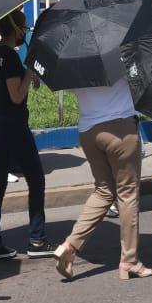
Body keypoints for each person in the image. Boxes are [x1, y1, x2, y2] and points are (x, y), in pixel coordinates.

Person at [53, 75, 147, 280]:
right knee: (127, 193)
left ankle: (70, 246)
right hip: (121, 128)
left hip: (88, 131)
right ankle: (129, 261)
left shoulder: (74, 64)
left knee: (104, 190)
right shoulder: (119, 58)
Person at [0, 10, 53, 260]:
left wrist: (25, 75)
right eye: (24, 27)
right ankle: (37, 240)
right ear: (16, 29)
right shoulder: (10, 56)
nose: (26, 31)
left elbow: (3, 86)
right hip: (13, 126)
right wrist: (30, 71)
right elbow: (17, 96)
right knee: (36, 179)